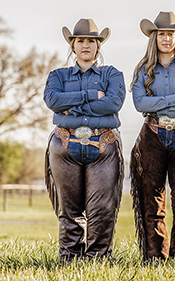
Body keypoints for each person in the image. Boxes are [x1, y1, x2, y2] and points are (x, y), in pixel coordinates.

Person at [44, 18, 125, 261]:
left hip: (103, 144)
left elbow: (113, 103)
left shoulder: (113, 74)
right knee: (69, 208)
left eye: (92, 40)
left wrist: (71, 110)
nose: (86, 45)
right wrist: (91, 96)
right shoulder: (57, 75)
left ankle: (98, 258)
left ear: (98, 46)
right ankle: (69, 257)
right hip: (65, 145)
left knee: (102, 208)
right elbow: (52, 101)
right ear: (73, 46)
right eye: (81, 40)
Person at [129, 11, 175, 262]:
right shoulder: (143, 70)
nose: (167, 39)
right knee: (152, 199)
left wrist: (156, 103)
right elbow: (139, 103)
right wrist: (173, 100)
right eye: (162, 34)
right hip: (152, 135)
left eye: (172, 34)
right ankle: (154, 256)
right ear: (154, 38)